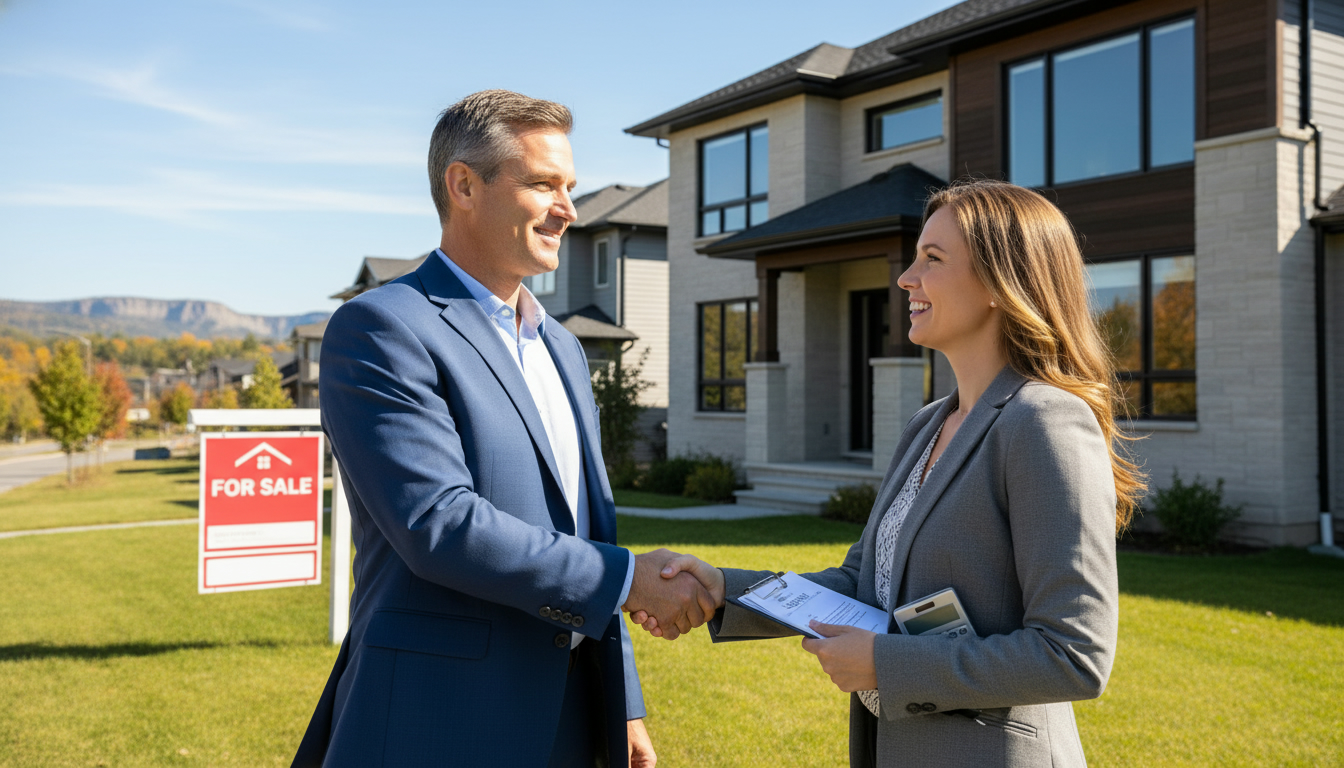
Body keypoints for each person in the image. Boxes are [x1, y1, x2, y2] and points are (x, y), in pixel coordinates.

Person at [638, 179, 1145, 767]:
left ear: (1001, 286)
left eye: (932, 260)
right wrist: (725, 588)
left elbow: (1073, 653)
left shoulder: (1045, 422)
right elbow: (862, 585)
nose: (906, 278)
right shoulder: (928, 424)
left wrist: (885, 664)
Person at [292, 90, 715, 768]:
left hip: (572, 718)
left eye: (570, 187)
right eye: (544, 184)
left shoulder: (564, 349)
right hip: (437, 721)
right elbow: (438, 523)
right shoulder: (382, 328)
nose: (568, 209)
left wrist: (624, 697)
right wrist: (630, 579)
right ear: (464, 184)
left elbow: (589, 532)